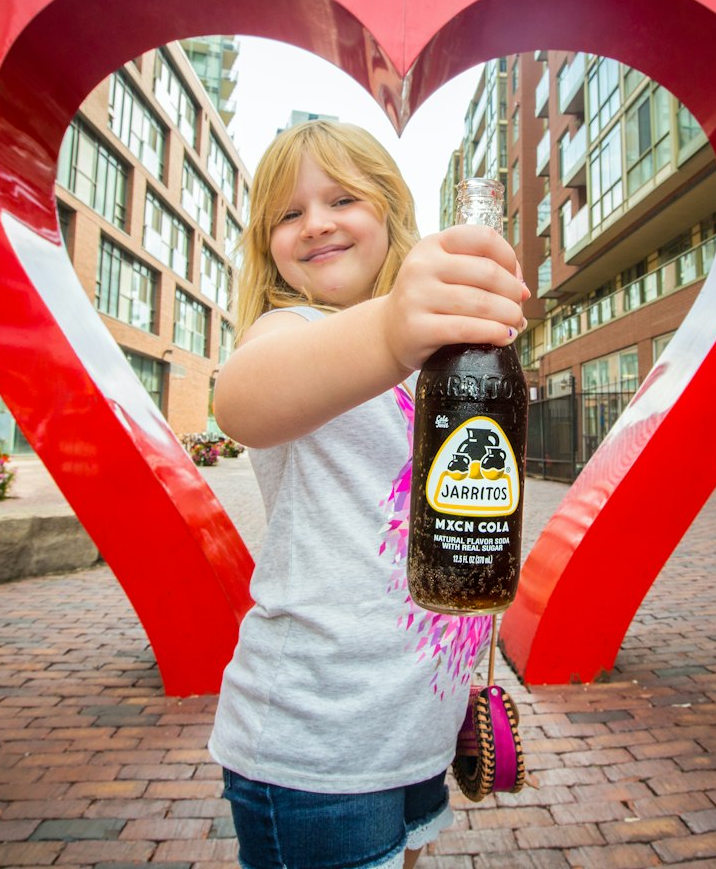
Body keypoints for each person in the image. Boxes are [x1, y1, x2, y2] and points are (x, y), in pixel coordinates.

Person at [209, 120, 528, 869]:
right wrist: (390, 331)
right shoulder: (292, 330)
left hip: (414, 730)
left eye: (341, 199)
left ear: (389, 211)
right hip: (316, 739)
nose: (315, 223)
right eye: (288, 214)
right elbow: (243, 400)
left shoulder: (437, 353)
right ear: (268, 246)